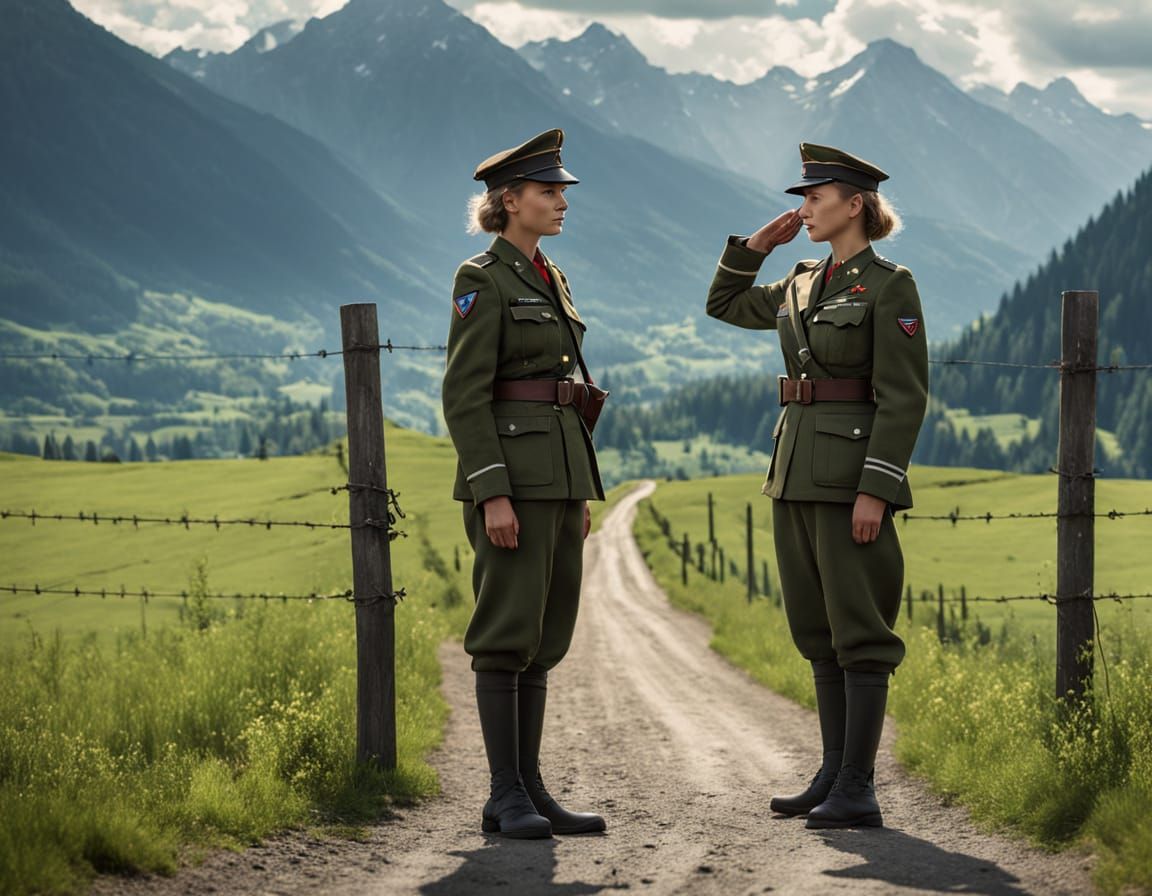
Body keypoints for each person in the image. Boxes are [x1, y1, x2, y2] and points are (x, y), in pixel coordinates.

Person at [705, 143, 929, 829]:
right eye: (801, 200)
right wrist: (756, 247)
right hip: (795, 473)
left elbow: (904, 397)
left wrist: (877, 489)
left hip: (850, 479)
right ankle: (833, 774)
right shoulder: (801, 279)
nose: (802, 210)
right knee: (817, 630)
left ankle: (858, 786)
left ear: (854, 204)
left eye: (813, 198)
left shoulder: (890, 286)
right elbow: (724, 303)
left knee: (860, 630)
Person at [441, 128, 606, 839]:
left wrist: (578, 492)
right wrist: (493, 493)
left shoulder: (549, 275)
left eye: (562, 191)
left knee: (544, 636)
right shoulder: (482, 278)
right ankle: (504, 794)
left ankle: (530, 789)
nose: (562, 201)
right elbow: (464, 395)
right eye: (549, 191)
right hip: (511, 482)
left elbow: (561, 388)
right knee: (506, 634)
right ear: (510, 200)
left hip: (559, 479)